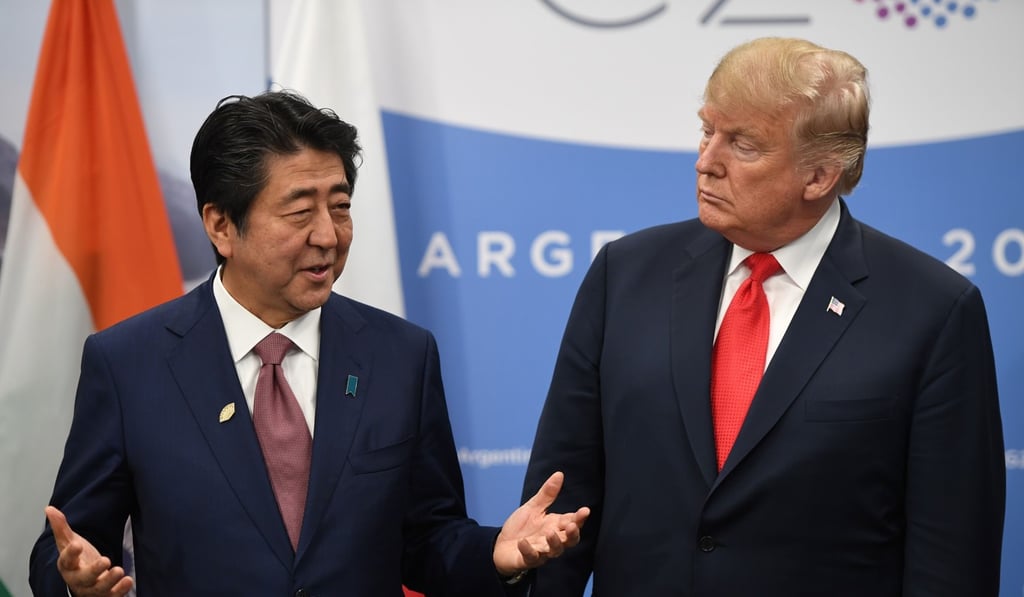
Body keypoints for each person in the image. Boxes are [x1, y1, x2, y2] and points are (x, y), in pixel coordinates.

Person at [30, 90, 589, 597]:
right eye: (300, 212)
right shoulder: (130, 363)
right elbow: (67, 544)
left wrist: (495, 556)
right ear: (221, 225)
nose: (328, 234)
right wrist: (73, 581)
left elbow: (426, 541)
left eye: (340, 207)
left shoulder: (401, 356)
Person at [521, 37, 1005, 596]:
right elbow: (558, 502)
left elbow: (951, 557)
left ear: (819, 176)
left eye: (743, 145)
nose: (706, 162)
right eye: (707, 131)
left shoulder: (933, 310)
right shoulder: (624, 274)